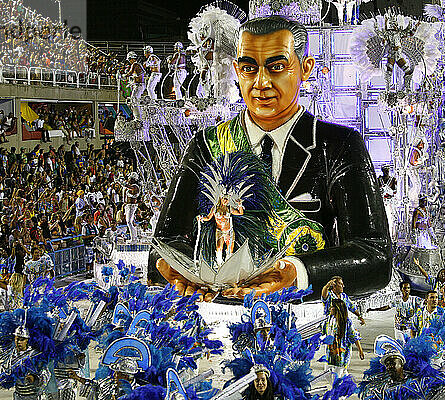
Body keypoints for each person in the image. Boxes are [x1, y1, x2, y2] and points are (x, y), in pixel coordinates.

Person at [149, 15, 392, 300]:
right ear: (236, 71)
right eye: (249, 68)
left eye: (276, 67)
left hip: (303, 319)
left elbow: (374, 256)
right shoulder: (207, 145)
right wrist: (175, 269)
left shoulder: (336, 145)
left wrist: (297, 273)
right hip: (219, 312)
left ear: (305, 68)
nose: (261, 82)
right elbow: (162, 244)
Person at [197, 194, 244, 265]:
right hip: (220, 231)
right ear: (221, 198)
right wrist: (201, 218)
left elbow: (240, 213)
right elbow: (208, 218)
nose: (226, 201)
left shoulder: (229, 208)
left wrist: (240, 205)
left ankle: (229, 264)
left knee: (230, 249)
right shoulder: (215, 208)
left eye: (227, 199)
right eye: (224, 199)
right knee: (219, 247)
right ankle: (219, 264)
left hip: (229, 231)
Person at [324, 298, 364, 378]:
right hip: (330, 353)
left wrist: (360, 350)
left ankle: (343, 388)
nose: (329, 309)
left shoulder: (346, 322)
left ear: (337, 308)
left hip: (342, 354)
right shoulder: (329, 319)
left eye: (331, 307)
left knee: (338, 376)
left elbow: (354, 337)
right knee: (327, 374)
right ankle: (346, 386)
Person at [378, 165, 397, 240]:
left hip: (389, 202)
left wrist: (389, 191)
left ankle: (391, 236)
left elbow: (395, 191)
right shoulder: (379, 180)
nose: (386, 172)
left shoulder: (393, 180)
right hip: (382, 201)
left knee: (391, 219)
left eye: (387, 170)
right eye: (385, 170)